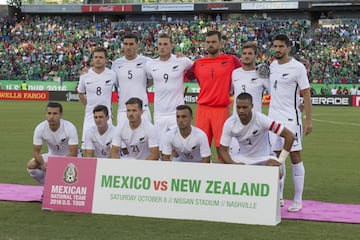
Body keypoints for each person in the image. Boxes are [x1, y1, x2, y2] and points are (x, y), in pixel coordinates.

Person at [269, 34, 312, 212]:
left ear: (288, 48)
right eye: (275, 46)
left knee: (295, 157)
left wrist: (308, 119)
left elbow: (306, 93)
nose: (277, 50)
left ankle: (297, 200)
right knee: (278, 157)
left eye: (281, 46)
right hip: (272, 119)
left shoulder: (298, 68)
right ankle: (279, 198)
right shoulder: (272, 65)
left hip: (290, 120)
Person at [186, 30, 241, 161]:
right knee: (199, 148)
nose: (211, 45)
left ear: (220, 44)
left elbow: (244, 72)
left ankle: (221, 177)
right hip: (203, 109)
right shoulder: (199, 63)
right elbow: (185, 74)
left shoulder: (231, 60)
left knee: (221, 149)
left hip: (221, 109)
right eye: (208, 42)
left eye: (214, 42)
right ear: (205, 44)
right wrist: (181, 58)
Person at [219, 93, 295, 168]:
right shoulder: (230, 123)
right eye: (238, 107)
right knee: (220, 164)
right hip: (242, 158)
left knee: (276, 171)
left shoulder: (261, 119)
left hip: (264, 158)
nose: (241, 110)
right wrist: (233, 164)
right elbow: (223, 151)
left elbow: (290, 136)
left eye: (244, 107)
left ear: (252, 106)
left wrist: (280, 160)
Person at [145, 32, 192, 147]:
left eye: (165, 44)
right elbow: (148, 81)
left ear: (171, 45)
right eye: (160, 44)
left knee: (180, 148)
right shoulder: (150, 64)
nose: (162, 47)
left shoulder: (182, 61)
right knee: (161, 148)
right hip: (159, 113)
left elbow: (194, 70)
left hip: (177, 113)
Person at [26, 102, 79, 185]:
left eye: (55, 114)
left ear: (61, 115)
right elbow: (36, 152)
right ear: (45, 114)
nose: (51, 117)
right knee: (31, 166)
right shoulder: (40, 128)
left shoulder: (70, 127)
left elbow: (73, 153)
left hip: (71, 157)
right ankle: (47, 185)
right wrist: (43, 164)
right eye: (49, 113)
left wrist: (55, 164)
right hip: (52, 155)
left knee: (72, 174)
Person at [77, 47, 117, 150]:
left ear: (106, 60)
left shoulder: (112, 75)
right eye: (96, 57)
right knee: (88, 149)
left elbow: (121, 88)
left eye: (101, 57)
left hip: (107, 118)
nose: (98, 59)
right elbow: (80, 92)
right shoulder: (85, 76)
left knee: (109, 149)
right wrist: (88, 106)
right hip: (90, 117)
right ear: (92, 59)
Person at [112, 33, 152, 127]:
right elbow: (116, 84)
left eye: (131, 44)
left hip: (143, 109)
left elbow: (151, 80)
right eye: (125, 44)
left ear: (137, 45)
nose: (128, 47)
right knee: (123, 140)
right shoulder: (116, 64)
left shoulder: (146, 61)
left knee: (145, 140)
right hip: (123, 110)